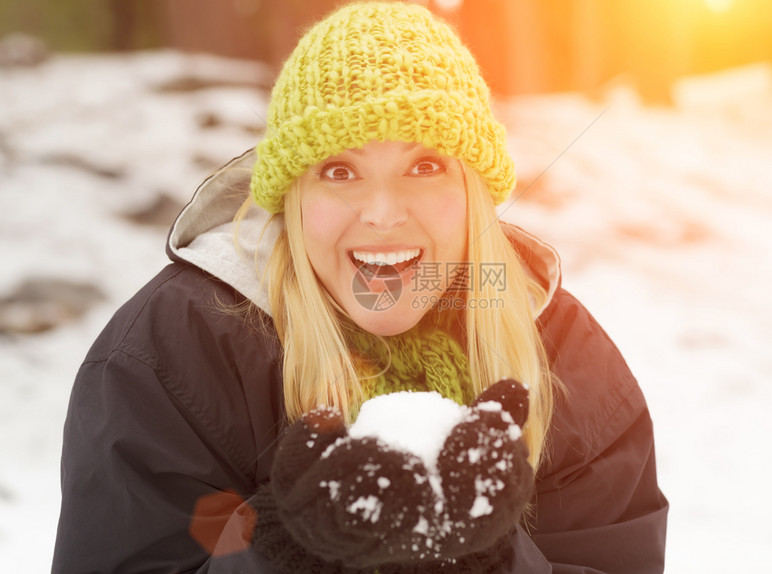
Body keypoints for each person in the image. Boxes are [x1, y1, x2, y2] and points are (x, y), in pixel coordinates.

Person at [52, 2, 668, 573]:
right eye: (339, 170)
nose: (382, 213)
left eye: (424, 166)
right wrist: (291, 549)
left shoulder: (565, 355)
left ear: (472, 190)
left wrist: (487, 555)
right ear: (292, 197)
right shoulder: (174, 352)